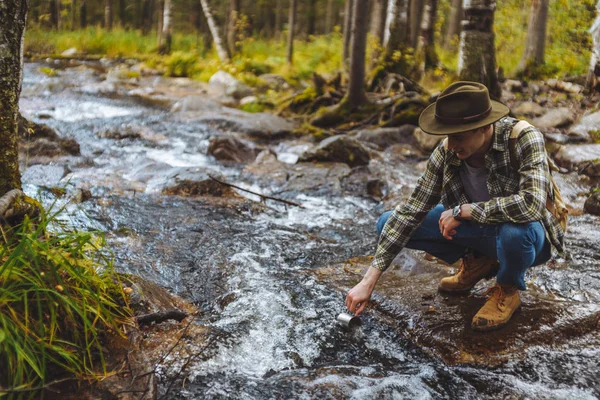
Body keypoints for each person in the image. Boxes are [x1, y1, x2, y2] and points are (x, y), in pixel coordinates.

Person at [345, 81, 565, 331]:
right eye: (447, 136)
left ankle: (507, 289)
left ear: (484, 128)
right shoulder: (447, 152)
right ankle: (478, 261)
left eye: (458, 136)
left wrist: (463, 211)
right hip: (482, 231)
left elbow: (532, 205)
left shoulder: (523, 138)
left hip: (531, 237)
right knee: (387, 222)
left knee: (515, 233)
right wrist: (368, 280)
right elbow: (411, 210)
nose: (450, 145)